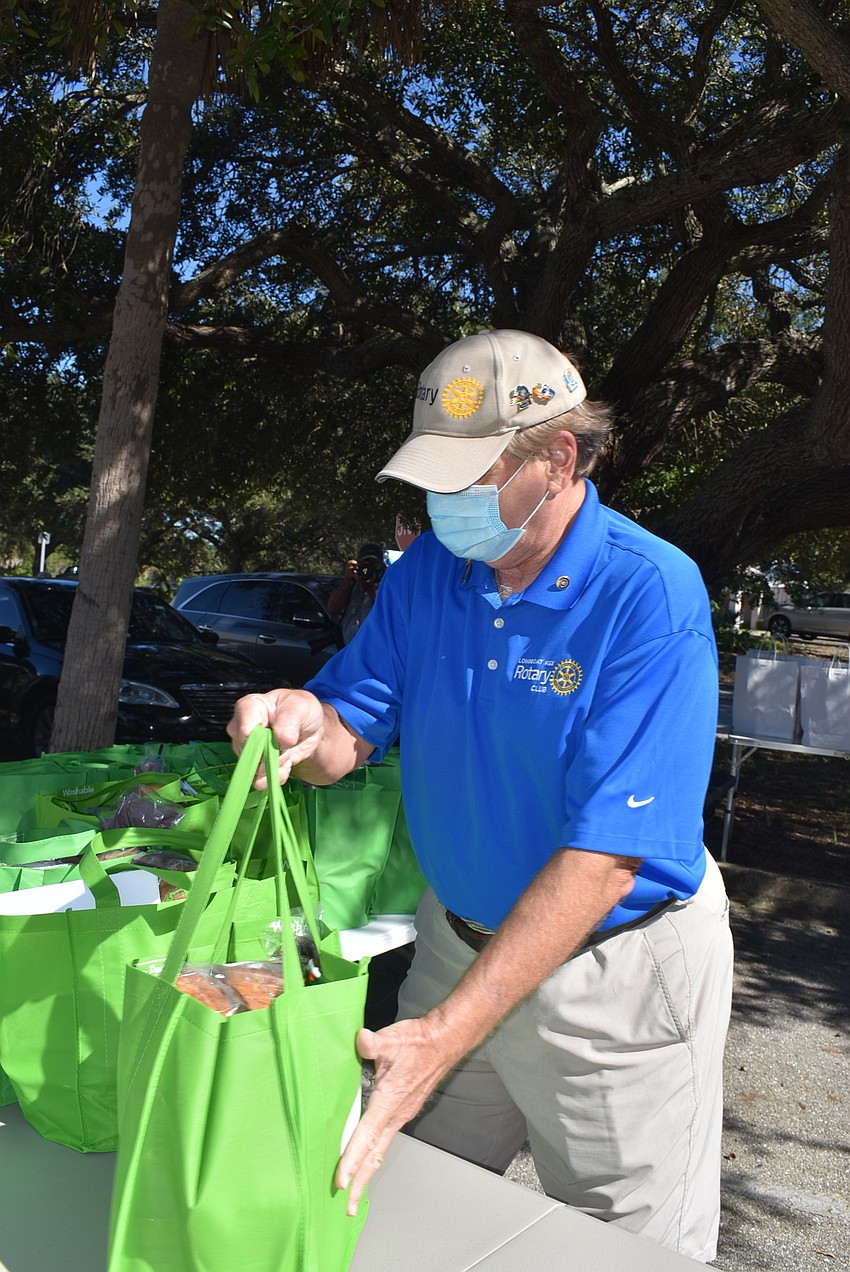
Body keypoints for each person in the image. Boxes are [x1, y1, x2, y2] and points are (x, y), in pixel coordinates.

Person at [228, 329, 734, 1263]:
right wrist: (301, 720)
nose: (446, 504)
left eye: (473, 476)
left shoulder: (650, 593)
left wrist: (439, 1037)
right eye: (434, 478)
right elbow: (347, 730)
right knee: (387, 1202)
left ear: (560, 458)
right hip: (456, 944)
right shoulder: (430, 570)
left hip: (613, 973)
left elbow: (604, 860)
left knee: (624, 1248)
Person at [326, 542, 385, 644]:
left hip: (373, 648)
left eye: (373, 563)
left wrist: (370, 587)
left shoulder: (386, 584)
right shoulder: (353, 584)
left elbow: (384, 610)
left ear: (381, 565)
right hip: (348, 647)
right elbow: (333, 608)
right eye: (365, 562)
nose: (368, 568)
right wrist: (347, 581)